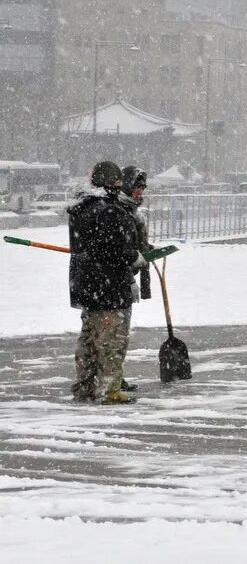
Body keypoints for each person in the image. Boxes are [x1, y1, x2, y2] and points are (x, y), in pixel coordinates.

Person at [68, 161, 143, 404]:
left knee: (89, 342)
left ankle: (85, 387)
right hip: (109, 288)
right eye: (117, 183)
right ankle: (110, 390)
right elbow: (117, 250)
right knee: (111, 342)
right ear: (111, 184)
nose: (119, 187)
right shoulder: (109, 211)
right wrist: (135, 257)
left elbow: (90, 247)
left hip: (86, 287)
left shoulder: (80, 209)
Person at [115, 166, 153, 392]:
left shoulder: (133, 212)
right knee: (115, 334)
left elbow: (135, 246)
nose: (140, 192)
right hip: (116, 279)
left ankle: (115, 376)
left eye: (143, 188)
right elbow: (118, 251)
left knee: (121, 333)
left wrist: (148, 251)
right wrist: (129, 275)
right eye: (137, 188)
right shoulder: (119, 212)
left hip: (126, 275)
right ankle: (112, 378)